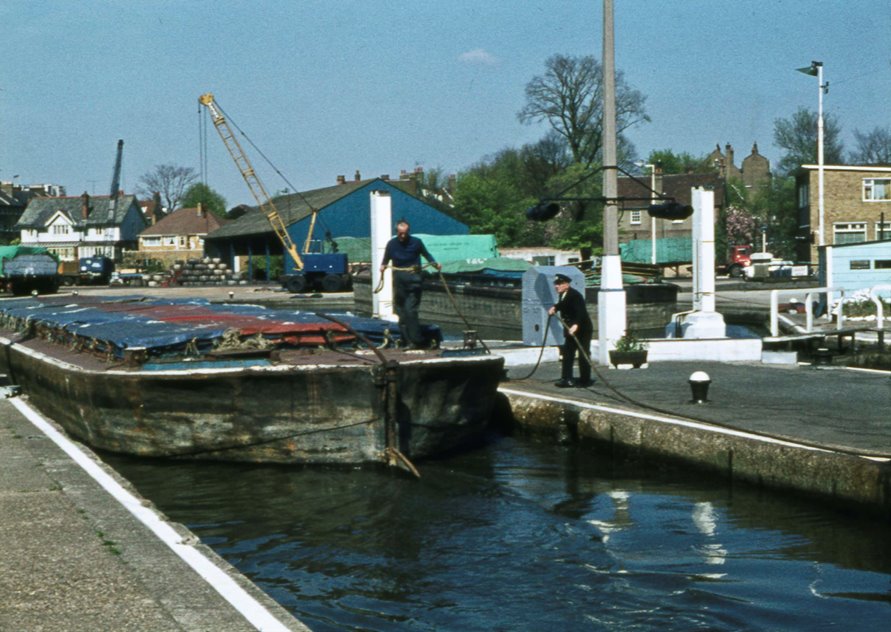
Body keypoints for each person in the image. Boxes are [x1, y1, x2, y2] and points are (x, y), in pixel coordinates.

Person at [379, 219, 441, 348]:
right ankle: (408, 341)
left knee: (410, 310)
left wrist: (435, 264)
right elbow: (386, 259)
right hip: (399, 281)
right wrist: (383, 266)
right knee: (400, 311)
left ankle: (417, 340)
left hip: (413, 281)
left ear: (408, 232)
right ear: (397, 232)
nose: (403, 236)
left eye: (405, 233)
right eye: (400, 233)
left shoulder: (416, 242)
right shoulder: (391, 244)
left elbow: (427, 255)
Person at [548, 273, 593, 388]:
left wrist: (576, 325)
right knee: (568, 353)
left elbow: (580, 312)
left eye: (559, 284)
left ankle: (585, 380)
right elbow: (563, 304)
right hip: (571, 329)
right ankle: (566, 378)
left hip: (582, 329)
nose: (556, 287)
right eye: (556, 284)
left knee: (583, 353)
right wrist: (555, 307)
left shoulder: (575, 296)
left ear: (566, 284)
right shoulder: (564, 294)